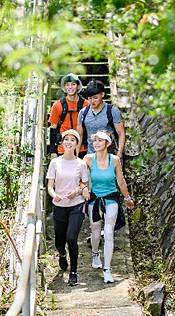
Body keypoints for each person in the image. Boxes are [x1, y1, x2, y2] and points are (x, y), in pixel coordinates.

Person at [82, 130, 135, 284]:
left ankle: (107, 269)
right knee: (95, 230)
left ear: (107, 143)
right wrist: (83, 188)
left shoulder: (115, 160)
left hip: (111, 198)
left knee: (109, 231)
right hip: (94, 199)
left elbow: (121, 180)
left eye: (100, 140)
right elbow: (81, 177)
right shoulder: (88, 159)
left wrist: (127, 198)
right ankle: (95, 253)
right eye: (94, 141)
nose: (96, 143)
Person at [46, 129, 89, 286]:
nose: (69, 142)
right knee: (60, 241)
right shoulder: (55, 163)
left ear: (77, 144)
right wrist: (54, 195)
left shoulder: (81, 164)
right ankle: (62, 255)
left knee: (72, 238)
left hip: (76, 205)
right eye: (66, 139)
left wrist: (77, 191)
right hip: (59, 206)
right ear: (62, 143)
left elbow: (84, 184)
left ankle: (73, 272)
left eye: (72, 140)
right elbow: (50, 186)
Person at [76, 80, 126, 160]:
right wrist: (76, 157)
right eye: (90, 98)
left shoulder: (112, 111)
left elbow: (121, 134)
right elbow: (79, 136)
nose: (92, 101)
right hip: (91, 156)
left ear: (102, 94)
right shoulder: (83, 112)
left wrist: (119, 154)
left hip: (110, 156)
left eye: (95, 98)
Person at [48, 73, 90, 158]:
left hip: (82, 147)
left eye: (73, 84)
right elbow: (53, 128)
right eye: (67, 85)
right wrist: (53, 151)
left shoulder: (86, 104)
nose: (70, 87)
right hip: (63, 147)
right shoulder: (57, 105)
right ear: (64, 87)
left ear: (78, 86)